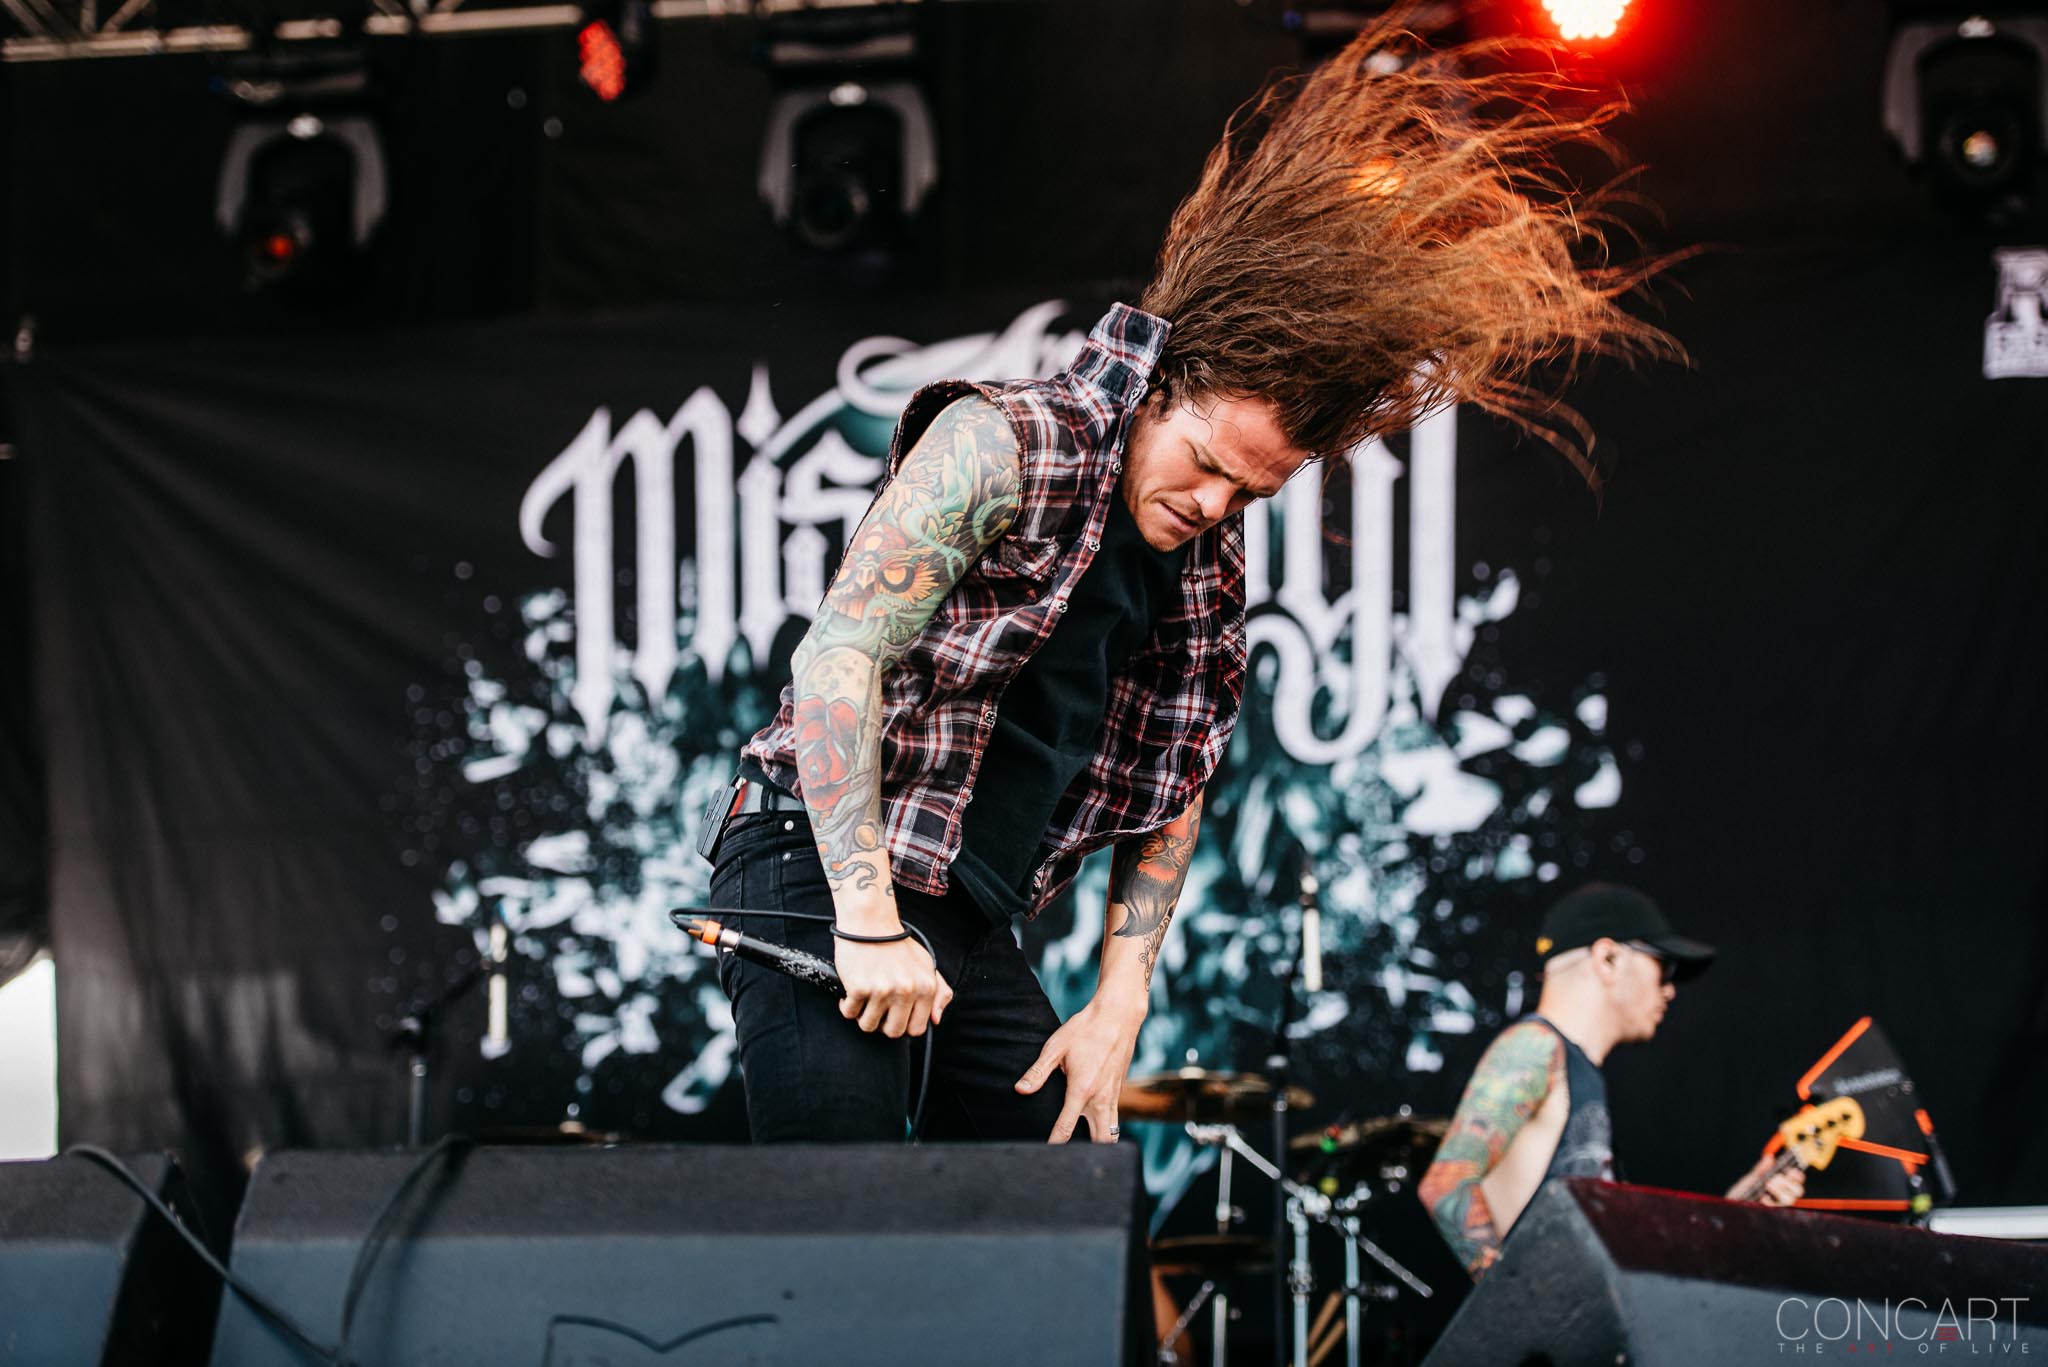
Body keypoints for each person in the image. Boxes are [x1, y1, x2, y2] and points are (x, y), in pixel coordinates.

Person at [703, 14, 1678, 1146]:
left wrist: (1119, 1001)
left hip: (968, 911)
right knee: (839, 1202)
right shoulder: (1005, 442)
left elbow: (1174, 784)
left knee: (1052, 1190)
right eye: (1206, 463)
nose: (1213, 504)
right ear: (1163, 386)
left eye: (1248, 493)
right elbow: (838, 655)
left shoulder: (1204, 570)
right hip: (818, 857)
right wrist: (865, 917)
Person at [1417, 883, 1806, 1279]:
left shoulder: (1580, 1073)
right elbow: (1446, 1185)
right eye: (1663, 967)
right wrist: (1521, 1307)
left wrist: (1738, 1209)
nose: (1670, 990)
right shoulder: (1535, 1045)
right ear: (1608, 958)